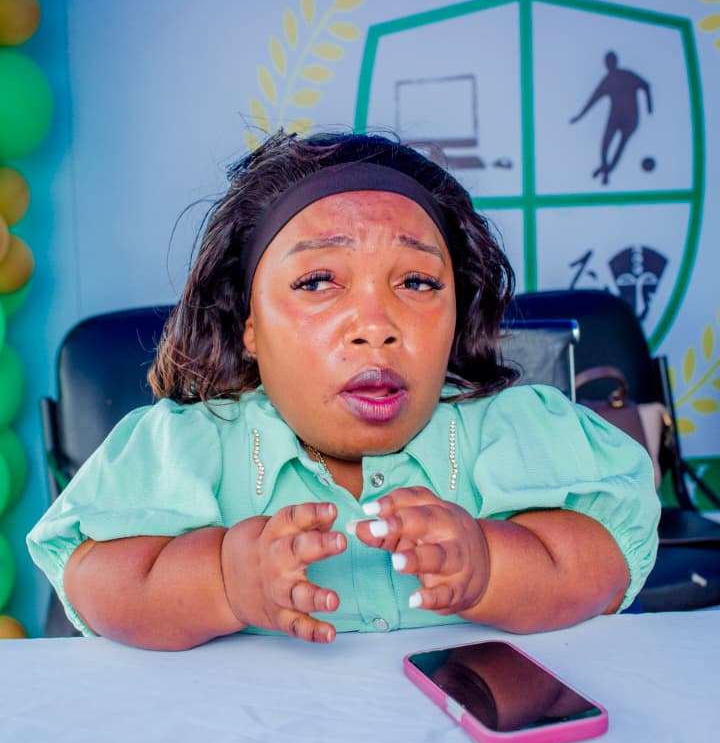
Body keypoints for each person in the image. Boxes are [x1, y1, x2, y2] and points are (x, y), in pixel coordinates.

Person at [27, 130, 659, 650]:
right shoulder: (184, 444)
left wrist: (494, 565)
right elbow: (94, 581)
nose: (375, 326)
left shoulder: (516, 429)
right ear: (249, 323)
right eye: (317, 282)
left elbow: (604, 564)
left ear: (455, 314)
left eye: (416, 282)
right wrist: (222, 579)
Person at [570, 51, 653, 186]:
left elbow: (646, 85)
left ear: (615, 62)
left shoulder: (627, 75)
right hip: (615, 118)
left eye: (610, 62)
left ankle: (606, 172)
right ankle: (605, 170)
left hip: (630, 118)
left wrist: (649, 106)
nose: (609, 65)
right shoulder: (607, 80)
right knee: (605, 145)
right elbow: (593, 100)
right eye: (607, 63)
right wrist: (579, 116)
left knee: (619, 147)